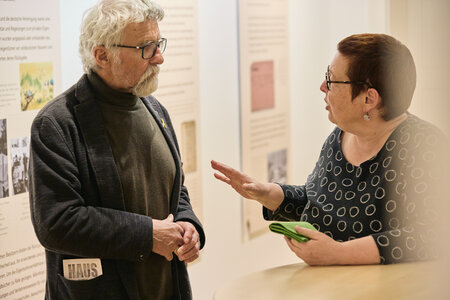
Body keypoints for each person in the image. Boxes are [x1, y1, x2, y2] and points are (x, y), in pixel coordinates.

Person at [212, 33, 446, 266]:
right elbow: (321, 205)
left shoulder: (424, 146)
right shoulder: (339, 138)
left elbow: (430, 234)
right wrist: (269, 194)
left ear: (369, 99)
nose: (323, 87)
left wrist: (339, 253)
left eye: (331, 80)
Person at [29, 1, 205, 299]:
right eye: (146, 48)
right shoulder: (57, 123)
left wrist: (189, 225)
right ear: (102, 55)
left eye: (158, 44)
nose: (159, 57)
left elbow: (174, 189)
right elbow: (57, 223)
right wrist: (147, 235)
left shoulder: (156, 110)